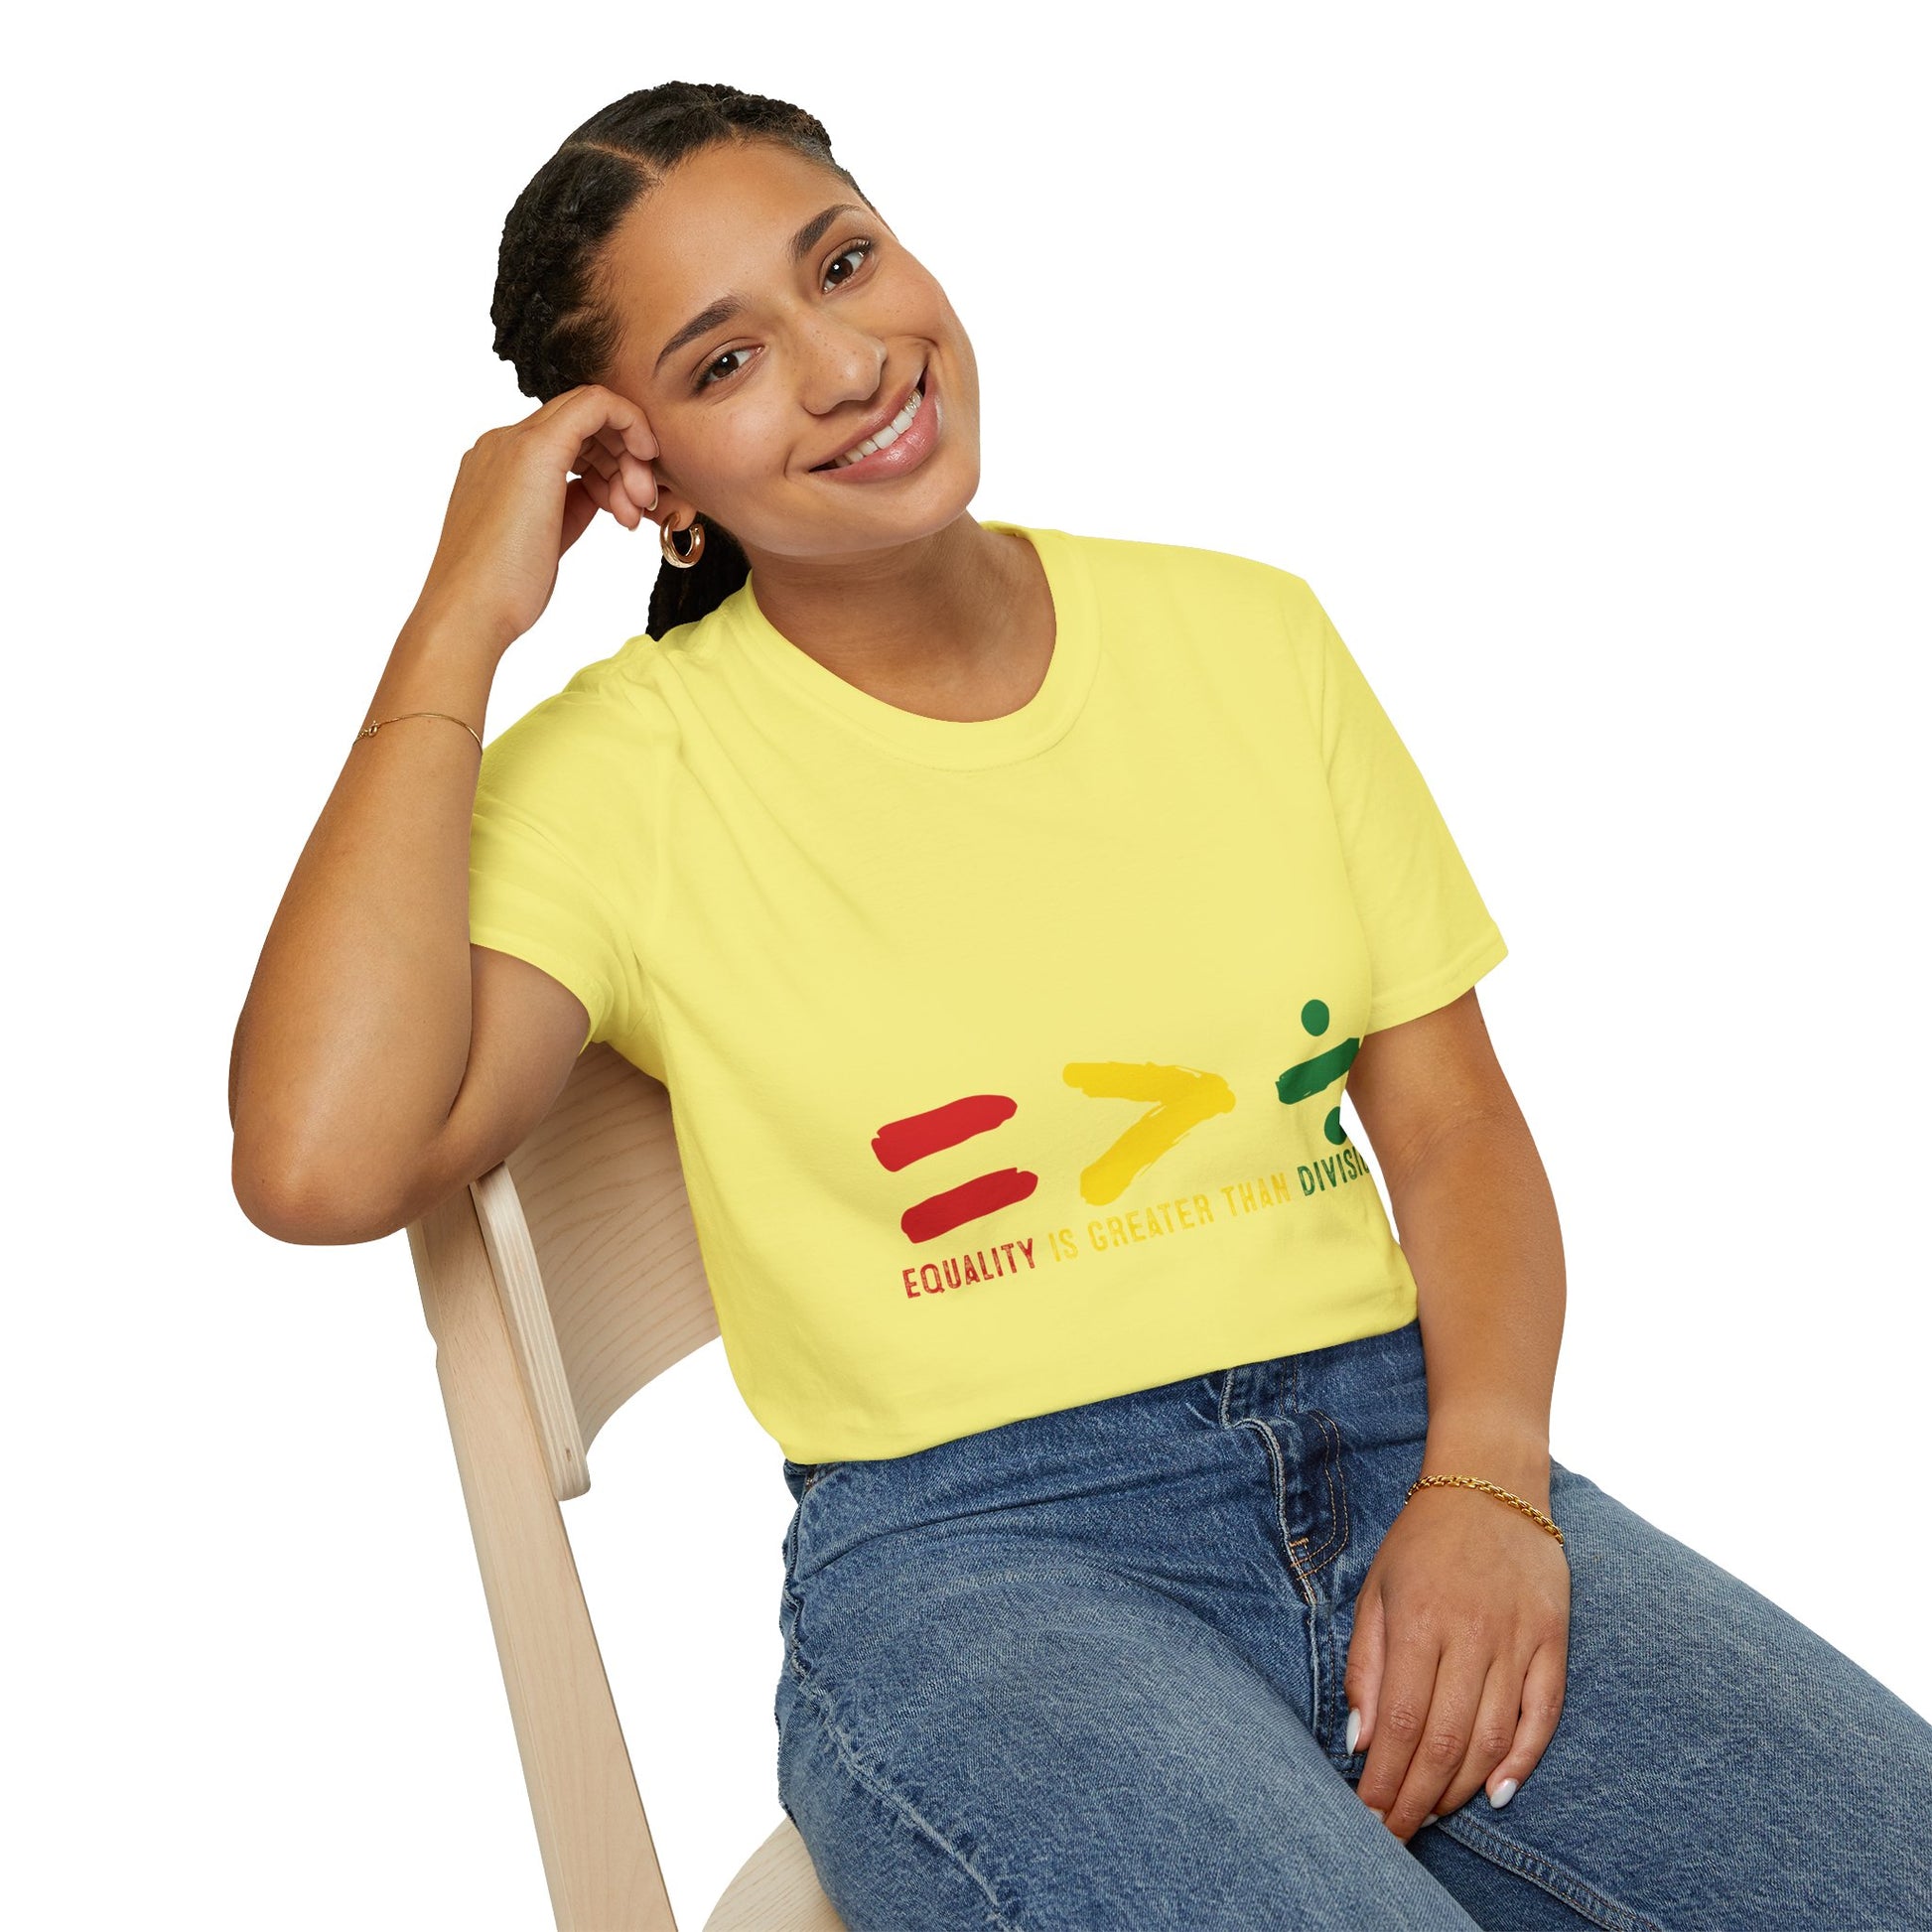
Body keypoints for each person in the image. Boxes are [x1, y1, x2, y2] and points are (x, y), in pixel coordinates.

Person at [228, 80, 1932, 1931]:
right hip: (982, 1564)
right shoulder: (624, 776)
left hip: (1404, 1446)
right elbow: (319, 1161)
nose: (846, 365)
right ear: (649, 480)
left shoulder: (1248, 635)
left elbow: (1451, 1128)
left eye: (843, 264)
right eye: (726, 361)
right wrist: (458, 617)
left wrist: (1489, 1483)